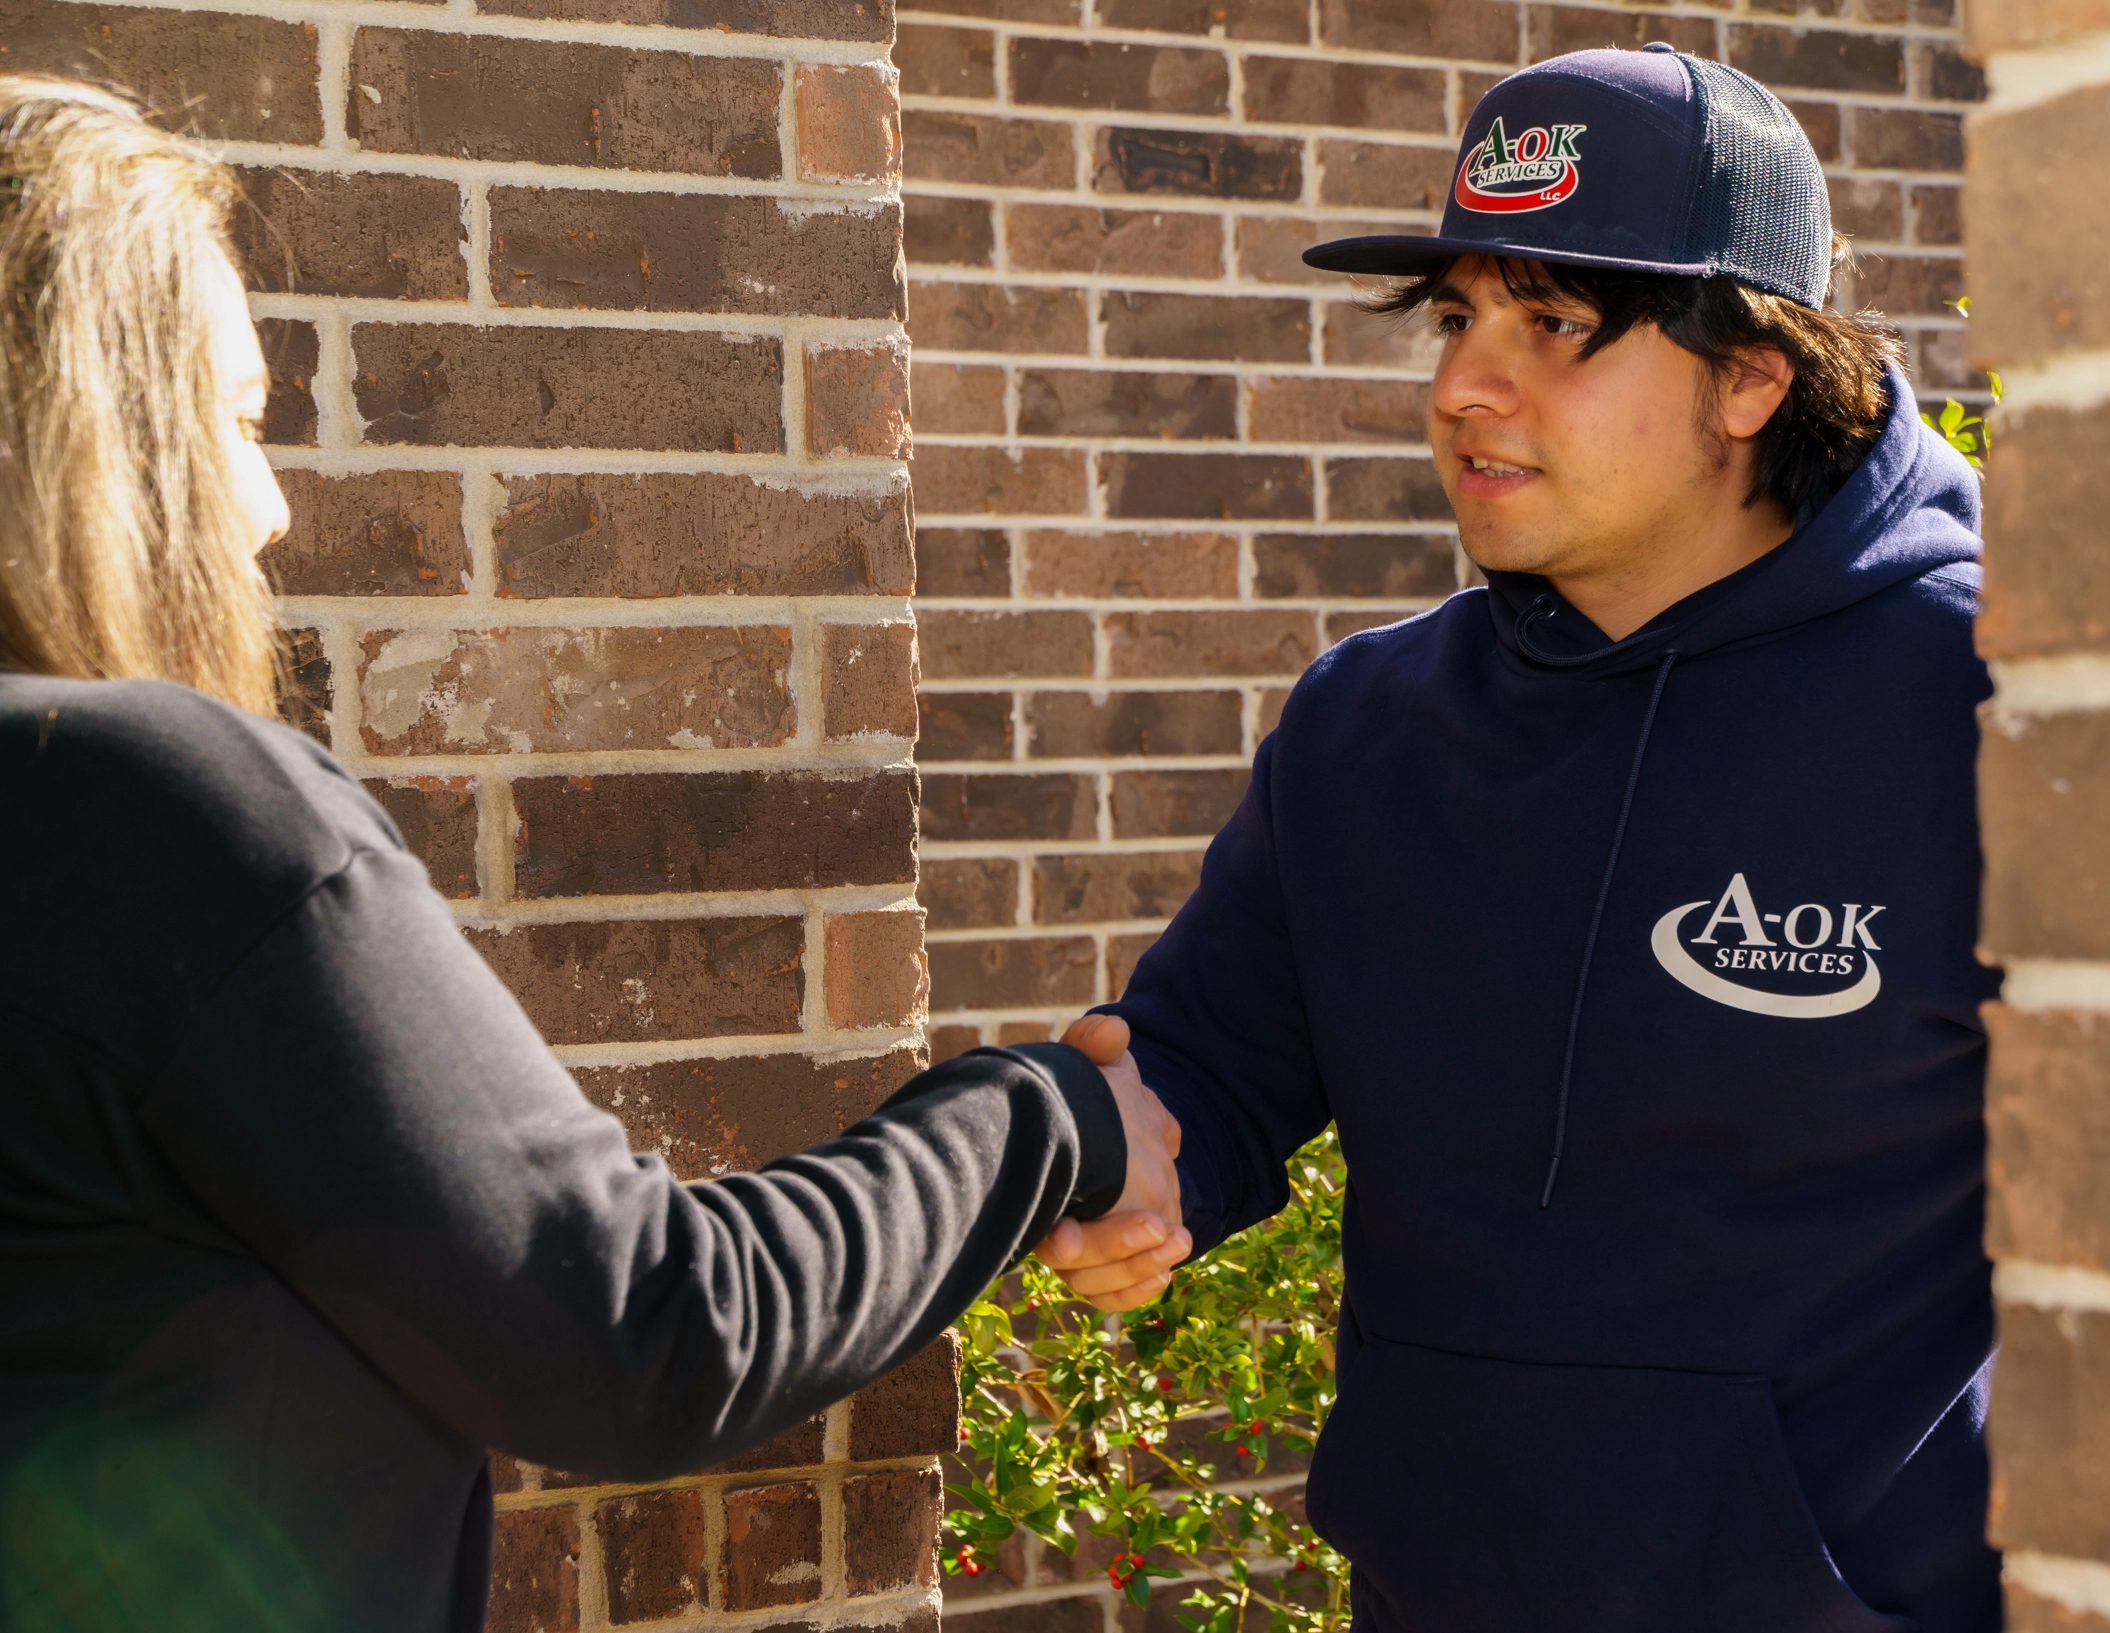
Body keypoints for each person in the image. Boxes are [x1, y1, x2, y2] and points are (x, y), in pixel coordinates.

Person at [0, 76, 1189, 1633]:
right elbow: (645, 1329)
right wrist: (1046, 1114)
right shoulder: (148, 809)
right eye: (235, 419)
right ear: (96, 430)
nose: (271, 509)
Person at [1036, 45, 2001, 1633]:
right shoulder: (1366, 726)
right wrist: (1129, 1149)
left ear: (1752, 377)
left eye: (1553, 324)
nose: (1463, 389)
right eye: (1458, 319)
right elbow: (1213, 1065)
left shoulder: (1986, 706)